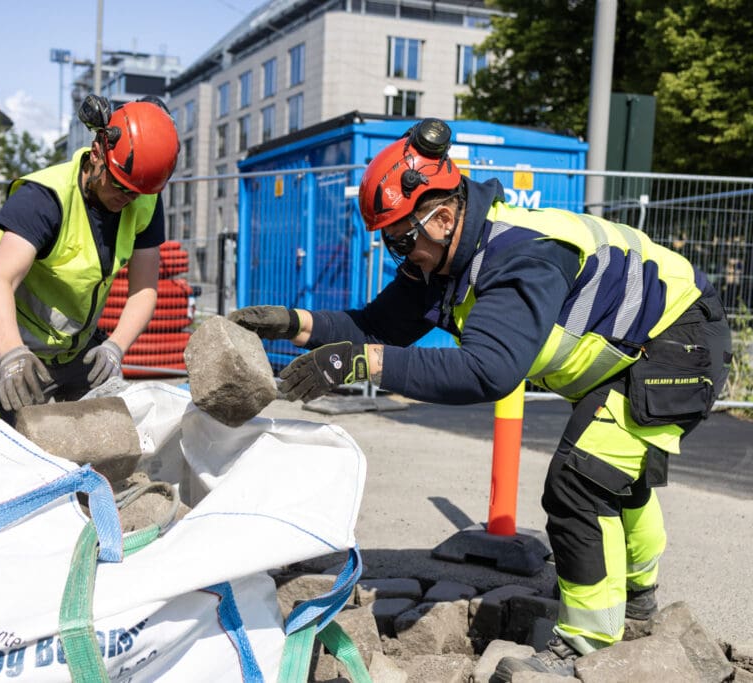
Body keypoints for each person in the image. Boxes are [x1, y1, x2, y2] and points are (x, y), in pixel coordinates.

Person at [229, 118, 732, 679]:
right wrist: (294, 323)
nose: (397, 254)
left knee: (580, 484)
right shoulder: (446, 257)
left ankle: (589, 649)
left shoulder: (521, 258)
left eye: (398, 239)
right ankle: (637, 605)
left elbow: (487, 371)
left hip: (674, 345)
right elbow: (379, 325)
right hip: (638, 348)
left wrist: (357, 364)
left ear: (442, 217)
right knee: (618, 480)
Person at [0, 95, 179, 422]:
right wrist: (11, 354)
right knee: (9, 448)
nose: (125, 200)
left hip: (74, 344)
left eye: (135, 193)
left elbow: (144, 290)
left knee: (100, 439)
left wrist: (115, 347)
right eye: (120, 187)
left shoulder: (143, 197)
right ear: (97, 152)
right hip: (11, 333)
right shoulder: (44, 198)